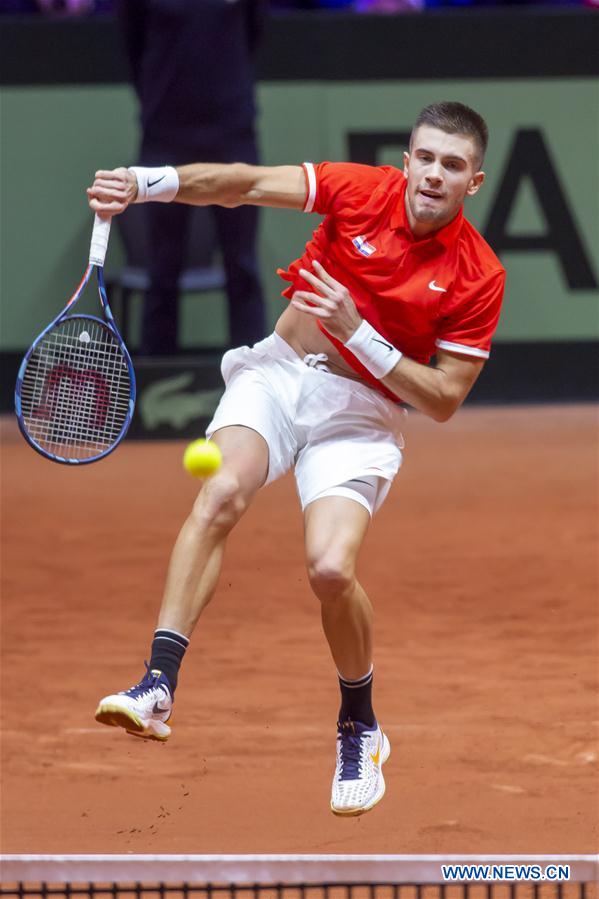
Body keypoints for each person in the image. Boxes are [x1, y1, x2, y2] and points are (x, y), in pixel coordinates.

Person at [88, 101, 505, 817]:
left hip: (362, 417)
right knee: (221, 494)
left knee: (330, 568)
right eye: (426, 157)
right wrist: (144, 182)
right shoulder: (359, 189)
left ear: (474, 181)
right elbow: (240, 183)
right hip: (278, 375)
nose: (434, 174)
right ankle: (156, 683)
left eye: (452, 165)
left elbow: (441, 398)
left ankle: (359, 725)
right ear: (406, 159)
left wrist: (360, 334)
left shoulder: (477, 274)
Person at [117, 0, 267, 354]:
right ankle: (156, 391)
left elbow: (254, 31)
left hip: (232, 131)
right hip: (165, 134)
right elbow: (130, 41)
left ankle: (255, 388)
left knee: (242, 266)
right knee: (162, 267)